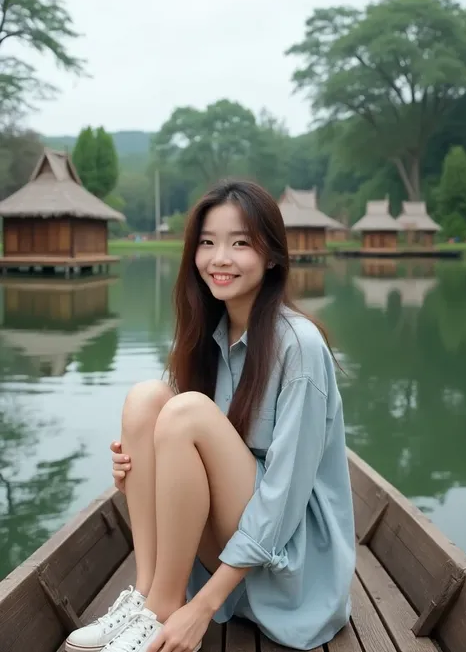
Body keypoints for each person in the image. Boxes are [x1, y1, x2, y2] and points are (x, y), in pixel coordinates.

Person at [65, 179, 355, 652]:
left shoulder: (298, 346)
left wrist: (202, 607)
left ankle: (166, 610)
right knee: (147, 399)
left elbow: (283, 501)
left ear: (273, 255)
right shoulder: (209, 335)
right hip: (234, 538)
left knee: (185, 412)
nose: (219, 258)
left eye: (240, 243)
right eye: (207, 242)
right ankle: (148, 597)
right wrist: (139, 466)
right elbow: (185, 451)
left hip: (291, 565)